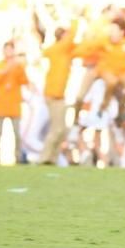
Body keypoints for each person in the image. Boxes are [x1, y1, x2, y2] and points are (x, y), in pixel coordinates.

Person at [38, 21, 79, 165]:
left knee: (61, 130)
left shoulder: (59, 51)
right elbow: (72, 37)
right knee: (57, 129)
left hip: (58, 94)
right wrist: (76, 19)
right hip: (54, 94)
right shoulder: (59, 49)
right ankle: (45, 157)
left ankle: (52, 158)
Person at [0, 41, 34, 164]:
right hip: (0, 104)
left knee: (16, 133)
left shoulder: (18, 66)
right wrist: (4, 71)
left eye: (11, 50)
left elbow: (24, 80)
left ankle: (18, 157)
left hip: (14, 105)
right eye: (7, 49)